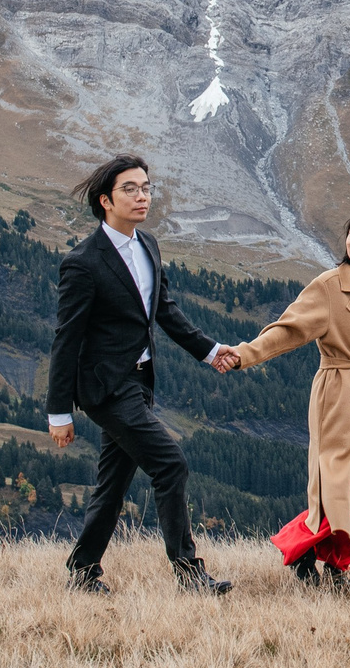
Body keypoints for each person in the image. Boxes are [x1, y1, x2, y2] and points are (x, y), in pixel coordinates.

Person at [48, 154, 235, 595]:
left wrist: (209, 352)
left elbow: (164, 310)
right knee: (170, 465)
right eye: (130, 188)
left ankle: (81, 571)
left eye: (146, 187)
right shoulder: (83, 262)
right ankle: (190, 577)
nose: (142, 195)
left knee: (113, 485)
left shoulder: (148, 245)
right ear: (105, 201)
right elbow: (66, 338)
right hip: (105, 388)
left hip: (139, 383)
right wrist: (59, 412)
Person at [215, 205, 350, 587]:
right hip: (336, 395)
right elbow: (289, 330)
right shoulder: (329, 285)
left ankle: (330, 566)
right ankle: (302, 547)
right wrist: (244, 355)